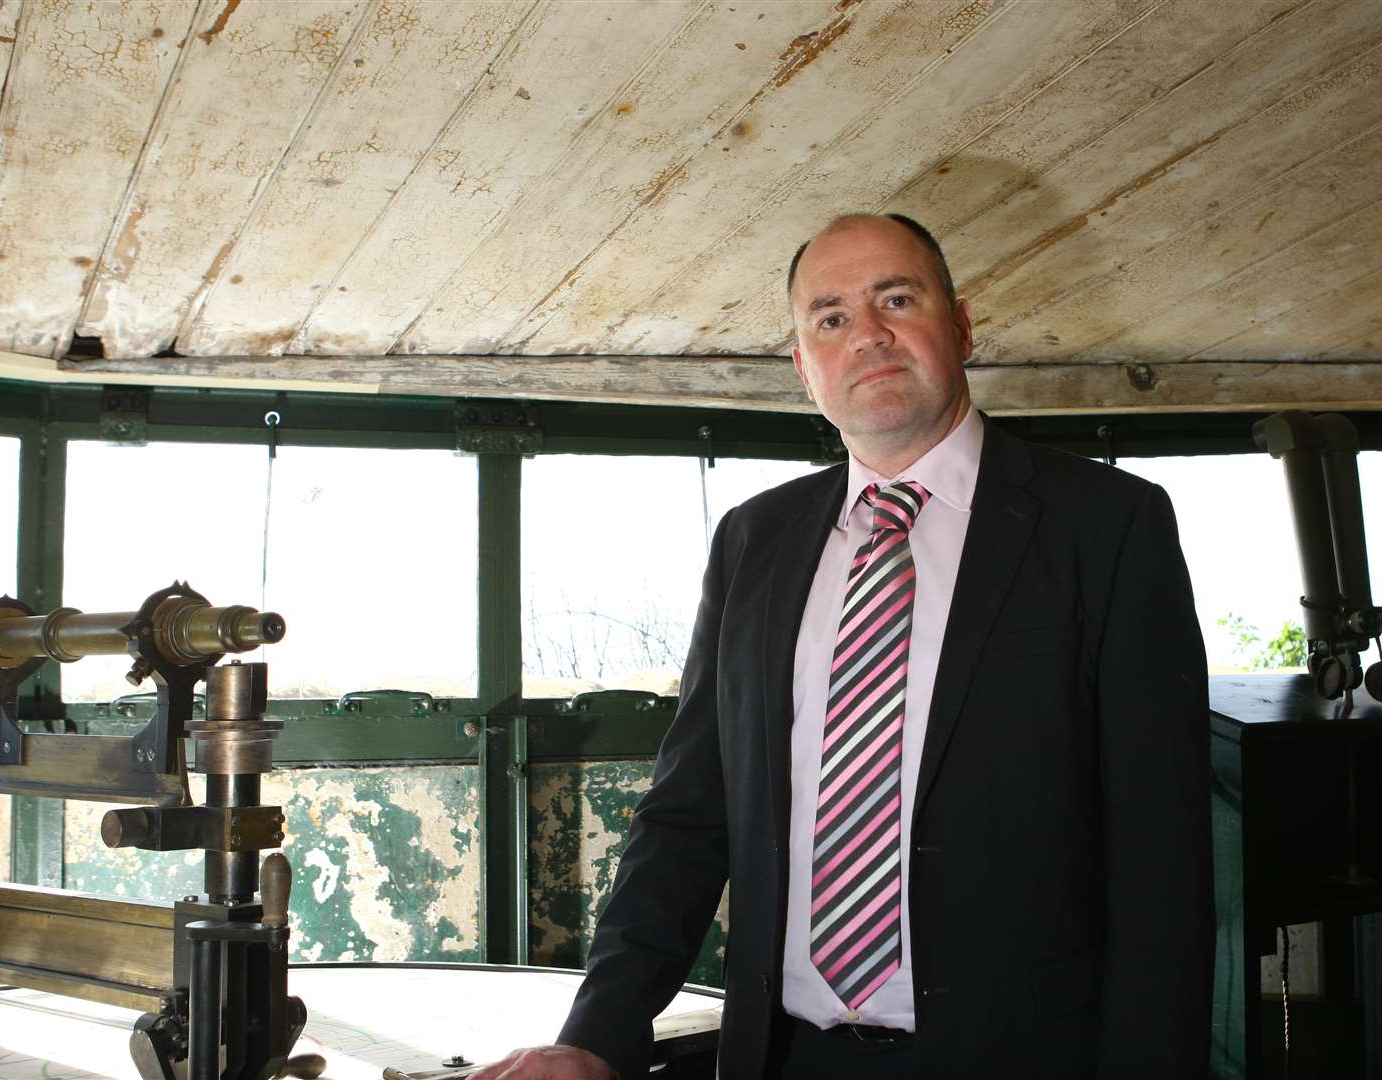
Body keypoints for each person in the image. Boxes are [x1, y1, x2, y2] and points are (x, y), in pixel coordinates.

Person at [473, 214, 1212, 1079]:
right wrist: (594, 1037)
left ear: (962, 324)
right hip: (783, 1058)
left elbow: (1162, 860)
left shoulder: (1109, 526)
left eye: (897, 298)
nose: (867, 334)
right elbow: (686, 817)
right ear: (803, 366)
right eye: (830, 317)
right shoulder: (753, 540)